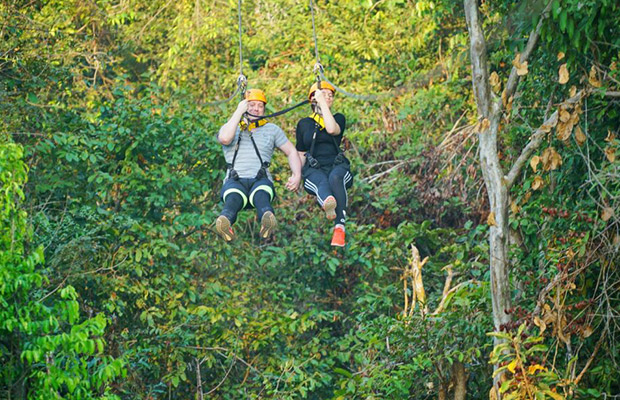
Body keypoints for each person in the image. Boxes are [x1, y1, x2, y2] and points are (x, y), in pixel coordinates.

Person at [215, 89, 301, 241]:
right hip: (235, 180)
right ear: (244, 106)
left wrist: (296, 175)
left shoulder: (272, 130)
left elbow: (291, 152)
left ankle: (267, 220)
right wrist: (239, 112)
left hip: (260, 179)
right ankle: (225, 222)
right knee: (232, 200)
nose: (256, 108)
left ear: (264, 109)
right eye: (252, 105)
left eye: (260, 106)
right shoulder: (231, 127)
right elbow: (224, 139)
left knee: (262, 197)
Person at [295, 81, 353, 247]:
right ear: (313, 99)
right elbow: (300, 152)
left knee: (335, 178)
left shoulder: (338, 118)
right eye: (324, 95)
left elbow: (331, 129)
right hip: (314, 169)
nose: (328, 98)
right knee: (321, 183)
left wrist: (322, 103)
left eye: (330, 96)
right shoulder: (304, 124)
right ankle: (328, 201)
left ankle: (339, 227)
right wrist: (297, 175)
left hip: (337, 166)